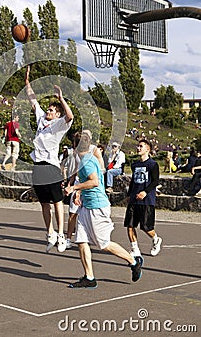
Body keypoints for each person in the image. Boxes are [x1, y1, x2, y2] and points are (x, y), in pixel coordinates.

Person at [68, 132, 143, 289]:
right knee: (81, 240)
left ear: (75, 146)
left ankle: (133, 261)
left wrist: (74, 187)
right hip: (87, 205)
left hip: (97, 206)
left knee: (103, 244)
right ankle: (89, 277)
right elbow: (88, 180)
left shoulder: (86, 161)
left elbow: (94, 181)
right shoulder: (85, 158)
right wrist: (79, 193)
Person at [25, 65, 73, 253]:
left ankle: (61, 234)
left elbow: (70, 115)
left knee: (57, 202)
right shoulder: (41, 120)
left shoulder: (60, 125)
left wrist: (61, 98)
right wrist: (27, 82)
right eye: (48, 109)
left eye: (52, 110)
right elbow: (32, 99)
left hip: (52, 166)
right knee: (43, 203)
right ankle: (50, 233)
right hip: (38, 166)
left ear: (57, 114)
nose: (48, 111)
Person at [124, 138, 162, 258]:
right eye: (138, 146)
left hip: (147, 200)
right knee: (130, 225)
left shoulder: (152, 164)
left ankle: (156, 239)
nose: (138, 148)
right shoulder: (135, 165)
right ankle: (134, 248)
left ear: (148, 149)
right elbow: (133, 182)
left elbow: (155, 181)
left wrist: (145, 192)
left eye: (141, 146)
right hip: (134, 199)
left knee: (146, 227)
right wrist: (129, 195)